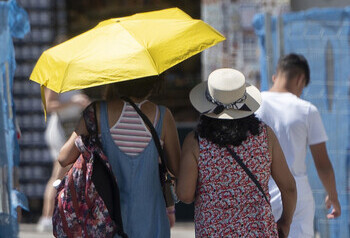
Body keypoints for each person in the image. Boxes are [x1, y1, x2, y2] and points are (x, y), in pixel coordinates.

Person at [177, 68, 297, 237]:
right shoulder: (264, 135)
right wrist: (285, 221)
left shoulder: (196, 142)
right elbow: (289, 187)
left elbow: (186, 195)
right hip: (260, 231)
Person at [57, 75, 181, 238]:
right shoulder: (163, 116)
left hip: (107, 222)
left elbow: (64, 158)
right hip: (152, 221)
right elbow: (177, 168)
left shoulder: (97, 112)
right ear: (153, 83)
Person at [255, 53, 341, 238]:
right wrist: (333, 195)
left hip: (260, 191)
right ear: (301, 79)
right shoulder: (307, 110)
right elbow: (322, 163)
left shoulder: (254, 105)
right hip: (297, 197)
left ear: (275, 77)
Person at [37, 89, 90, 232]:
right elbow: (48, 106)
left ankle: (56, 214)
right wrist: (73, 102)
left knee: (68, 172)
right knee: (58, 173)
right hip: (60, 127)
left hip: (72, 125)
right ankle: (47, 216)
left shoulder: (76, 78)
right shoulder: (56, 80)